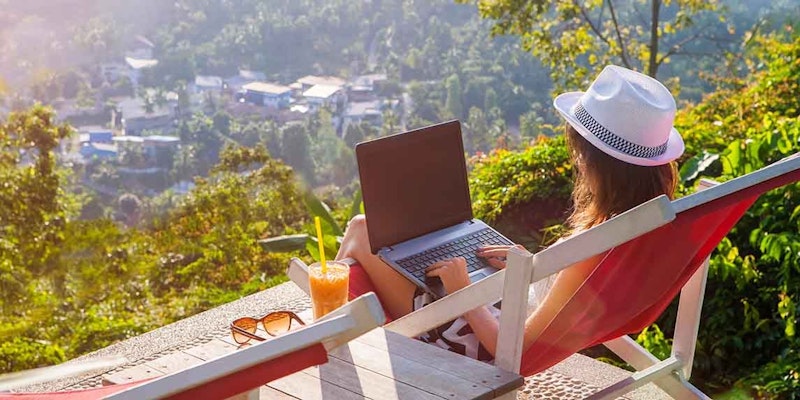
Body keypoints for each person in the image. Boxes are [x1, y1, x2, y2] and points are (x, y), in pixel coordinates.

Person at [336, 65, 685, 361]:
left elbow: (514, 352)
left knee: (361, 230)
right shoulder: (648, 226)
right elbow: (569, 302)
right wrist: (531, 267)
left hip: (473, 342)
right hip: (504, 308)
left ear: (596, 163)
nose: (577, 161)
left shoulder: (594, 250)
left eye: (579, 152)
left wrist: (463, 293)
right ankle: (337, 317)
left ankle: (327, 330)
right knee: (387, 242)